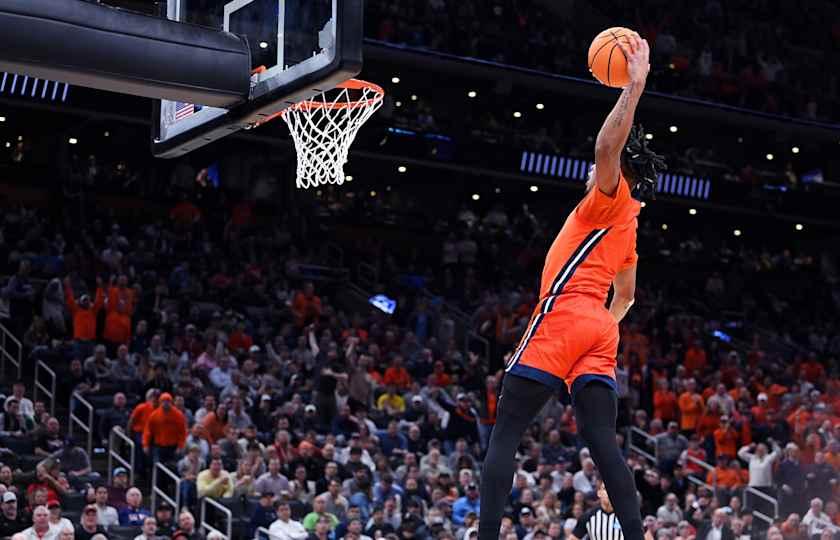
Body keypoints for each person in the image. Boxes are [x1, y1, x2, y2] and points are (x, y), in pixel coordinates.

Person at [478, 33, 663, 540]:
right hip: (602, 329)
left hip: (565, 314)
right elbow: (624, 297)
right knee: (603, 442)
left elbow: (607, 144)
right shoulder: (630, 228)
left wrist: (635, 85)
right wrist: (598, 324)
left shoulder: (608, 200)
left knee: (506, 430)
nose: (593, 170)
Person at [142, 392, 188, 465]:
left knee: (172, 467)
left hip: (173, 447)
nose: (166, 403)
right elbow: (148, 431)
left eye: (168, 401)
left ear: (171, 402)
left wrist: (180, 446)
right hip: (159, 447)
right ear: (160, 402)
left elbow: (182, 432)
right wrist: (145, 445)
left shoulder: (178, 415)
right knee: (158, 466)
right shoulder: (154, 415)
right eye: (163, 401)